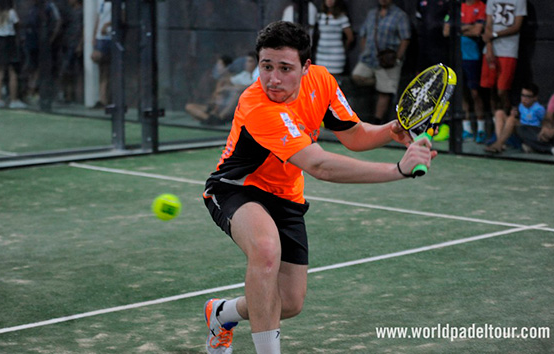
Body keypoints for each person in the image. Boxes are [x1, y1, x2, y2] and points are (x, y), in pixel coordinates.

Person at [201, 21, 436, 354]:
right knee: (266, 250)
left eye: (285, 68)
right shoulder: (258, 105)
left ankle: (222, 313)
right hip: (238, 189)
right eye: (266, 67)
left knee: (290, 302)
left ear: (306, 67)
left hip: (287, 196)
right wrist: (398, 169)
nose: (273, 78)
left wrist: (391, 130)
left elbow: (353, 134)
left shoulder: (322, 82)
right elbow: (320, 166)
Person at [351, 0, 411, 123]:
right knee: (357, 76)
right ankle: (377, 82)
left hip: (388, 60)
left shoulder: (400, 15)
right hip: (370, 58)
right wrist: (364, 52)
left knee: (385, 92)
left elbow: (405, 38)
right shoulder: (372, 13)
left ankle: (377, 121)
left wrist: (398, 57)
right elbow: (363, 33)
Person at [444, 0, 487, 143]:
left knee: (475, 93)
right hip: (456, 57)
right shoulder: (456, 7)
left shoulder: (480, 6)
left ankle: (481, 128)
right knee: (460, 93)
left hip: (472, 57)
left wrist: (458, 28)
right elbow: (446, 31)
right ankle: (467, 129)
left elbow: (478, 31)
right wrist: (468, 27)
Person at [480, 0, 527, 119]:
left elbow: (517, 26)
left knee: (502, 90)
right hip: (491, 50)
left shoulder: (519, 1)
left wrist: (495, 35)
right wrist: (489, 47)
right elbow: (488, 24)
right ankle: (495, 124)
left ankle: (505, 120)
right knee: (491, 89)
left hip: (508, 50)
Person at [186, 52, 259, 125]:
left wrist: (227, 88)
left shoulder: (259, 76)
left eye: (250, 61)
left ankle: (220, 117)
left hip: (234, 108)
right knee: (189, 106)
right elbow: (227, 81)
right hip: (217, 106)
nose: (246, 64)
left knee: (237, 94)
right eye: (246, 61)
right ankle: (209, 118)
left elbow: (250, 88)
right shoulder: (243, 75)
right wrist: (219, 91)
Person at [518, 63, 554, 156]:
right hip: (553, 134)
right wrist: (547, 128)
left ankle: (538, 147)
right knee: (522, 129)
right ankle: (553, 149)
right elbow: (548, 118)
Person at [0, 0, 27, 109]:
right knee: (13, 72)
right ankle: (14, 100)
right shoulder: (11, 12)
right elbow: (18, 25)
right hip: (9, 42)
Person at [485, 83, 545, 153]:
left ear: (535, 98)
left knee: (511, 120)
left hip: (530, 132)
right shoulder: (521, 105)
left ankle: (498, 144)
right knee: (499, 113)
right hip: (520, 130)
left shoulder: (539, 109)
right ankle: (500, 143)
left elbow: (544, 123)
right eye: (522, 95)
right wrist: (514, 114)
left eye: (528, 96)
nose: (524, 99)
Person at [313, 0, 354, 75]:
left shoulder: (342, 17)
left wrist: (342, 48)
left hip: (336, 56)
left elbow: (350, 37)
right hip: (321, 55)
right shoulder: (320, 16)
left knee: (333, 81)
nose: (329, 1)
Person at [415, 0, 450, 71]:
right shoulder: (420, 2)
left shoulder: (446, 2)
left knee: (439, 70)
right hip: (424, 42)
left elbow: (449, 16)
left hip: (440, 43)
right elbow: (419, 17)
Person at [91, 0, 113, 109]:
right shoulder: (100, 2)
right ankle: (102, 98)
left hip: (109, 37)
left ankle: (105, 98)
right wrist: (94, 35)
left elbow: (121, 17)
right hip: (100, 38)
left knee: (106, 68)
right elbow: (98, 18)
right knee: (101, 67)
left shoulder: (116, 3)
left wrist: (107, 25)